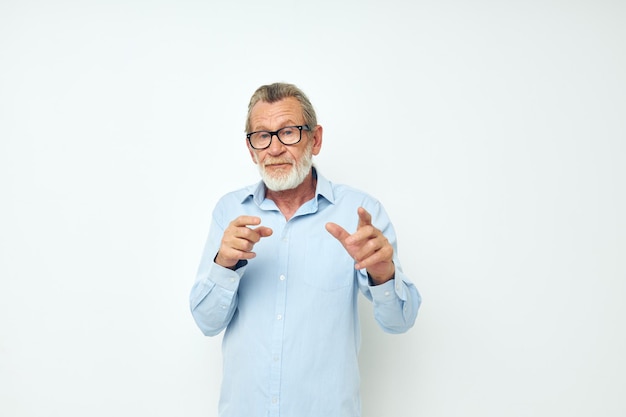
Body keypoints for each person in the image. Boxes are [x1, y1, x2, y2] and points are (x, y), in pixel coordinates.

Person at [189, 82, 421, 417]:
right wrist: (224, 264)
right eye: (262, 136)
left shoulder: (359, 213)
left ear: (315, 139)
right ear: (251, 149)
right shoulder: (229, 212)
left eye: (289, 132)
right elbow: (206, 322)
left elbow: (400, 322)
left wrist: (383, 274)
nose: (275, 148)